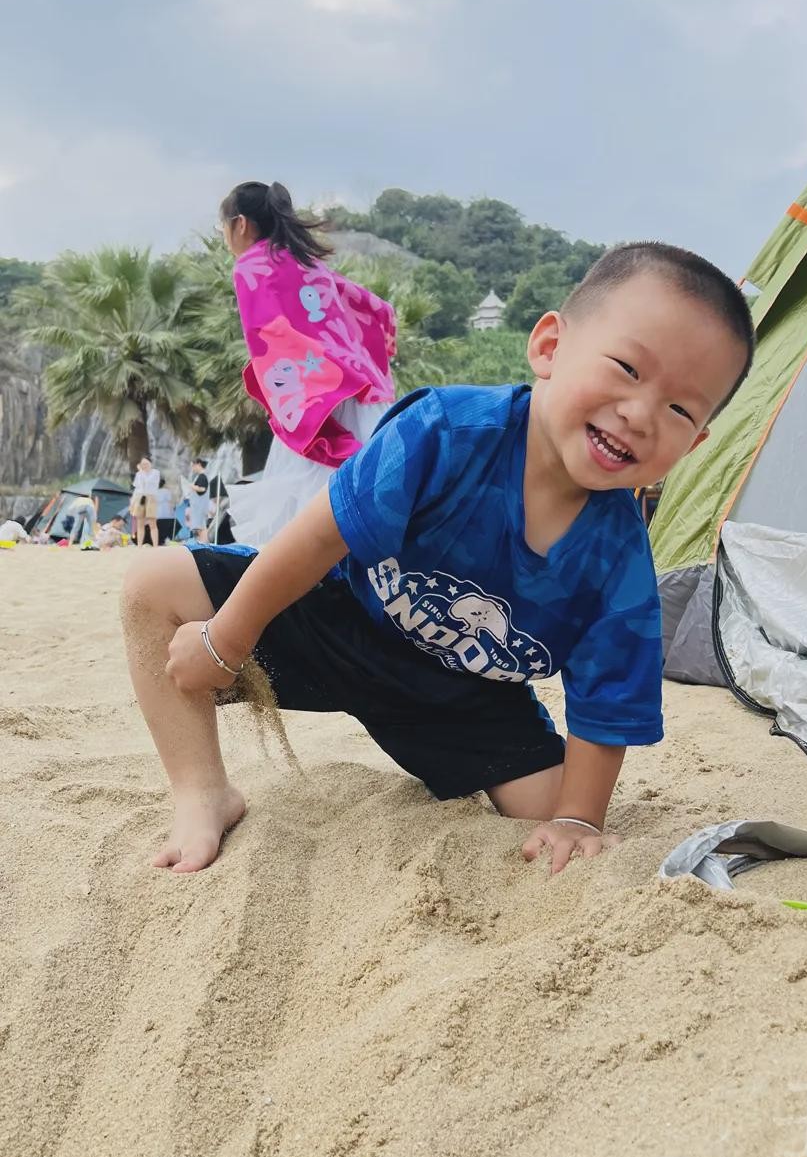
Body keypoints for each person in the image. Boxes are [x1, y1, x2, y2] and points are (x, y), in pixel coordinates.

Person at [122, 242, 754, 877]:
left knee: (548, 808)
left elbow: (606, 701)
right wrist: (228, 638)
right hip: (341, 618)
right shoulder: (447, 431)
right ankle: (202, 790)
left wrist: (579, 818)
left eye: (679, 409)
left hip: (463, 695)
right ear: (550, 347)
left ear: (695, 443)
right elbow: (318, 537)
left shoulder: (619, 564)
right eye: (626, 368)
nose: (640, 414)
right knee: (152, 585)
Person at [219, 180, 397, 548]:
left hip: (313, 393)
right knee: (369, 493)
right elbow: (372, 306)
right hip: (362, 392)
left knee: (304, 509)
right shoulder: (307, 260)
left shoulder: (250, 265)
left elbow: (266, 334)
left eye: (222, 226)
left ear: (240, 224)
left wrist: (284, 394)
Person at [131, 458, 160, 548]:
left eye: (146, 463)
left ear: (150, 463)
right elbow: (138, 488)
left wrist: (141, 472)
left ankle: (155, 545)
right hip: (140, 498)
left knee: (152, 523)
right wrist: (132, 502)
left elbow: (148, 483)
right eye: (143, 463)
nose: (144, 465)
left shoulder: (155, 473)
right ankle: (139, 545)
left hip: (151, 498)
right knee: (140, 523)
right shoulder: (139, 474)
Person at [184, 461, 210, 544]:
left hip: (200, 506)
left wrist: (191, 486)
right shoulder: (200, 476)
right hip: (198, 506)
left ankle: (203, 543)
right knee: (199, 526)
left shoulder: (202, 476)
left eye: (193, 466)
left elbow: (202, 489)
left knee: (201, 526)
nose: (193, 468)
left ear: (198, 464)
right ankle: (202, 542)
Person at [155, 476, 176, 546]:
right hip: (166, 512)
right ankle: (164, 541)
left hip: (157, 513)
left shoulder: (154, 492)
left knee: (158, 528)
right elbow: (170, 503)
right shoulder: (167, 491)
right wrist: (172, 512)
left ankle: (158, 541)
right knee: (165, 528)